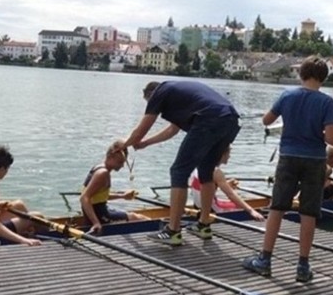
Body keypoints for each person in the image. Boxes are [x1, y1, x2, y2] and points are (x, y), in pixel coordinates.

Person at [241, 57, 333, 281]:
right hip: (315, 160)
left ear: (301, 74)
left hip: (288, 158)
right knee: (308, 212)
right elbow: (332, 139)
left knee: (277, 208)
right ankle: (303, 267)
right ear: (323, 78)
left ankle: (265, 260)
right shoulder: (327, 102)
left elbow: (266, 120)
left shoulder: (287, 95)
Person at [122, 80, 240, 245]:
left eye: (149, 103)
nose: (154, 107)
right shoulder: (176, 93)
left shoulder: (159, 92)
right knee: (206, 171)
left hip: (209, 120)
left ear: (150, 95)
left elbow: (140, 130)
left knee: (178, 172)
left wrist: (123, 145)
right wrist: (146, 143)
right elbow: (172, 130)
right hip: (230, 119)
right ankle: (204, 225)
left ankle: (173, 231)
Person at [80, 140, 150, 233]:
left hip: (101, 211)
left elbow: (98, 196)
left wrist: (123, 196)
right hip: (101, 217)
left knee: (133, 216)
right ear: (110, 156)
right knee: (138, 218)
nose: (122, 166)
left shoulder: (98, 167)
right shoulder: (102, 173)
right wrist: (96, 223)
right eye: (120, 162)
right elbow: (84, 198)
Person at [189, 144, 266, 222]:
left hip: (198, 207)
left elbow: (202, 187)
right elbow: (231, 194)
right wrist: (251, 211)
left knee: (235, 202)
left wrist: (224, 185)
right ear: (222, 154)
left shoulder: (199, 166)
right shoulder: (216, 172)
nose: (229, 156)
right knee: (239, 206)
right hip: (211, 209)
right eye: (229, 153)